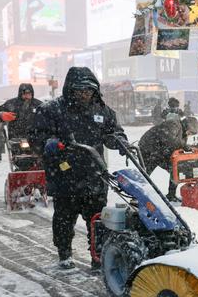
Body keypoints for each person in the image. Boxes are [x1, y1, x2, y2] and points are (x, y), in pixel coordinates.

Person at [29, 66, 128, 271]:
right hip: (65, 174)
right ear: (70, 90)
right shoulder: (52, 110)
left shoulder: (102, 110)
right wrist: (49, 143)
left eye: (88, 90)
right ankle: (64, 252)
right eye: (79, 90)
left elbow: (113, 132)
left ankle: (98, 256)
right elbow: (36, 136)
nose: (84, 94)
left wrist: (120, 142)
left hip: (95, 174)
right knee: (64, 219)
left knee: (98, 220)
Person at [138, 115, 198, 201]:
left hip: (159, 152)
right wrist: (184, 146)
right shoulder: (174, 124)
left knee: (175, 170)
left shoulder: (183, 134)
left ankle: (171, 194)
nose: (190, 135)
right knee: (146, 172)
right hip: (149, 149)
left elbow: (177, 146)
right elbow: (169, 140)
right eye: (191, 132)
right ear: (187, 125)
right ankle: (136, 194)